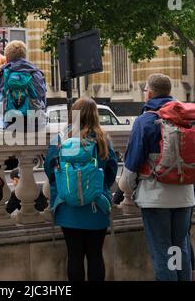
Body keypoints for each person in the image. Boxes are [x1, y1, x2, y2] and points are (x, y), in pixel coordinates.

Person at [119, 73, 195, 281]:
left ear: (149, 93)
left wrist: (126, 187)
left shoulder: (145, 121)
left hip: (156, 197)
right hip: (185, 194)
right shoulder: (187, 118)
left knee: (162, 250)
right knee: (179, 249)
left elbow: (132, 162)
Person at [44, 97, 118, 281]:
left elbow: (49, 170)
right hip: (97, 205)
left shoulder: (61, 139)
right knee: (95, 255)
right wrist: (98, 188)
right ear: (95, 115)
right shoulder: (103, 139)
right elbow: (112, 171)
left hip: (68, 207)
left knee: (74, 256)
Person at [0, 40, 47, 130]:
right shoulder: (36, 73)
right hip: (34, 125)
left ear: (7, 58)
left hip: (8, 125)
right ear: (24, 56)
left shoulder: (3, 73)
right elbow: (41, 98)